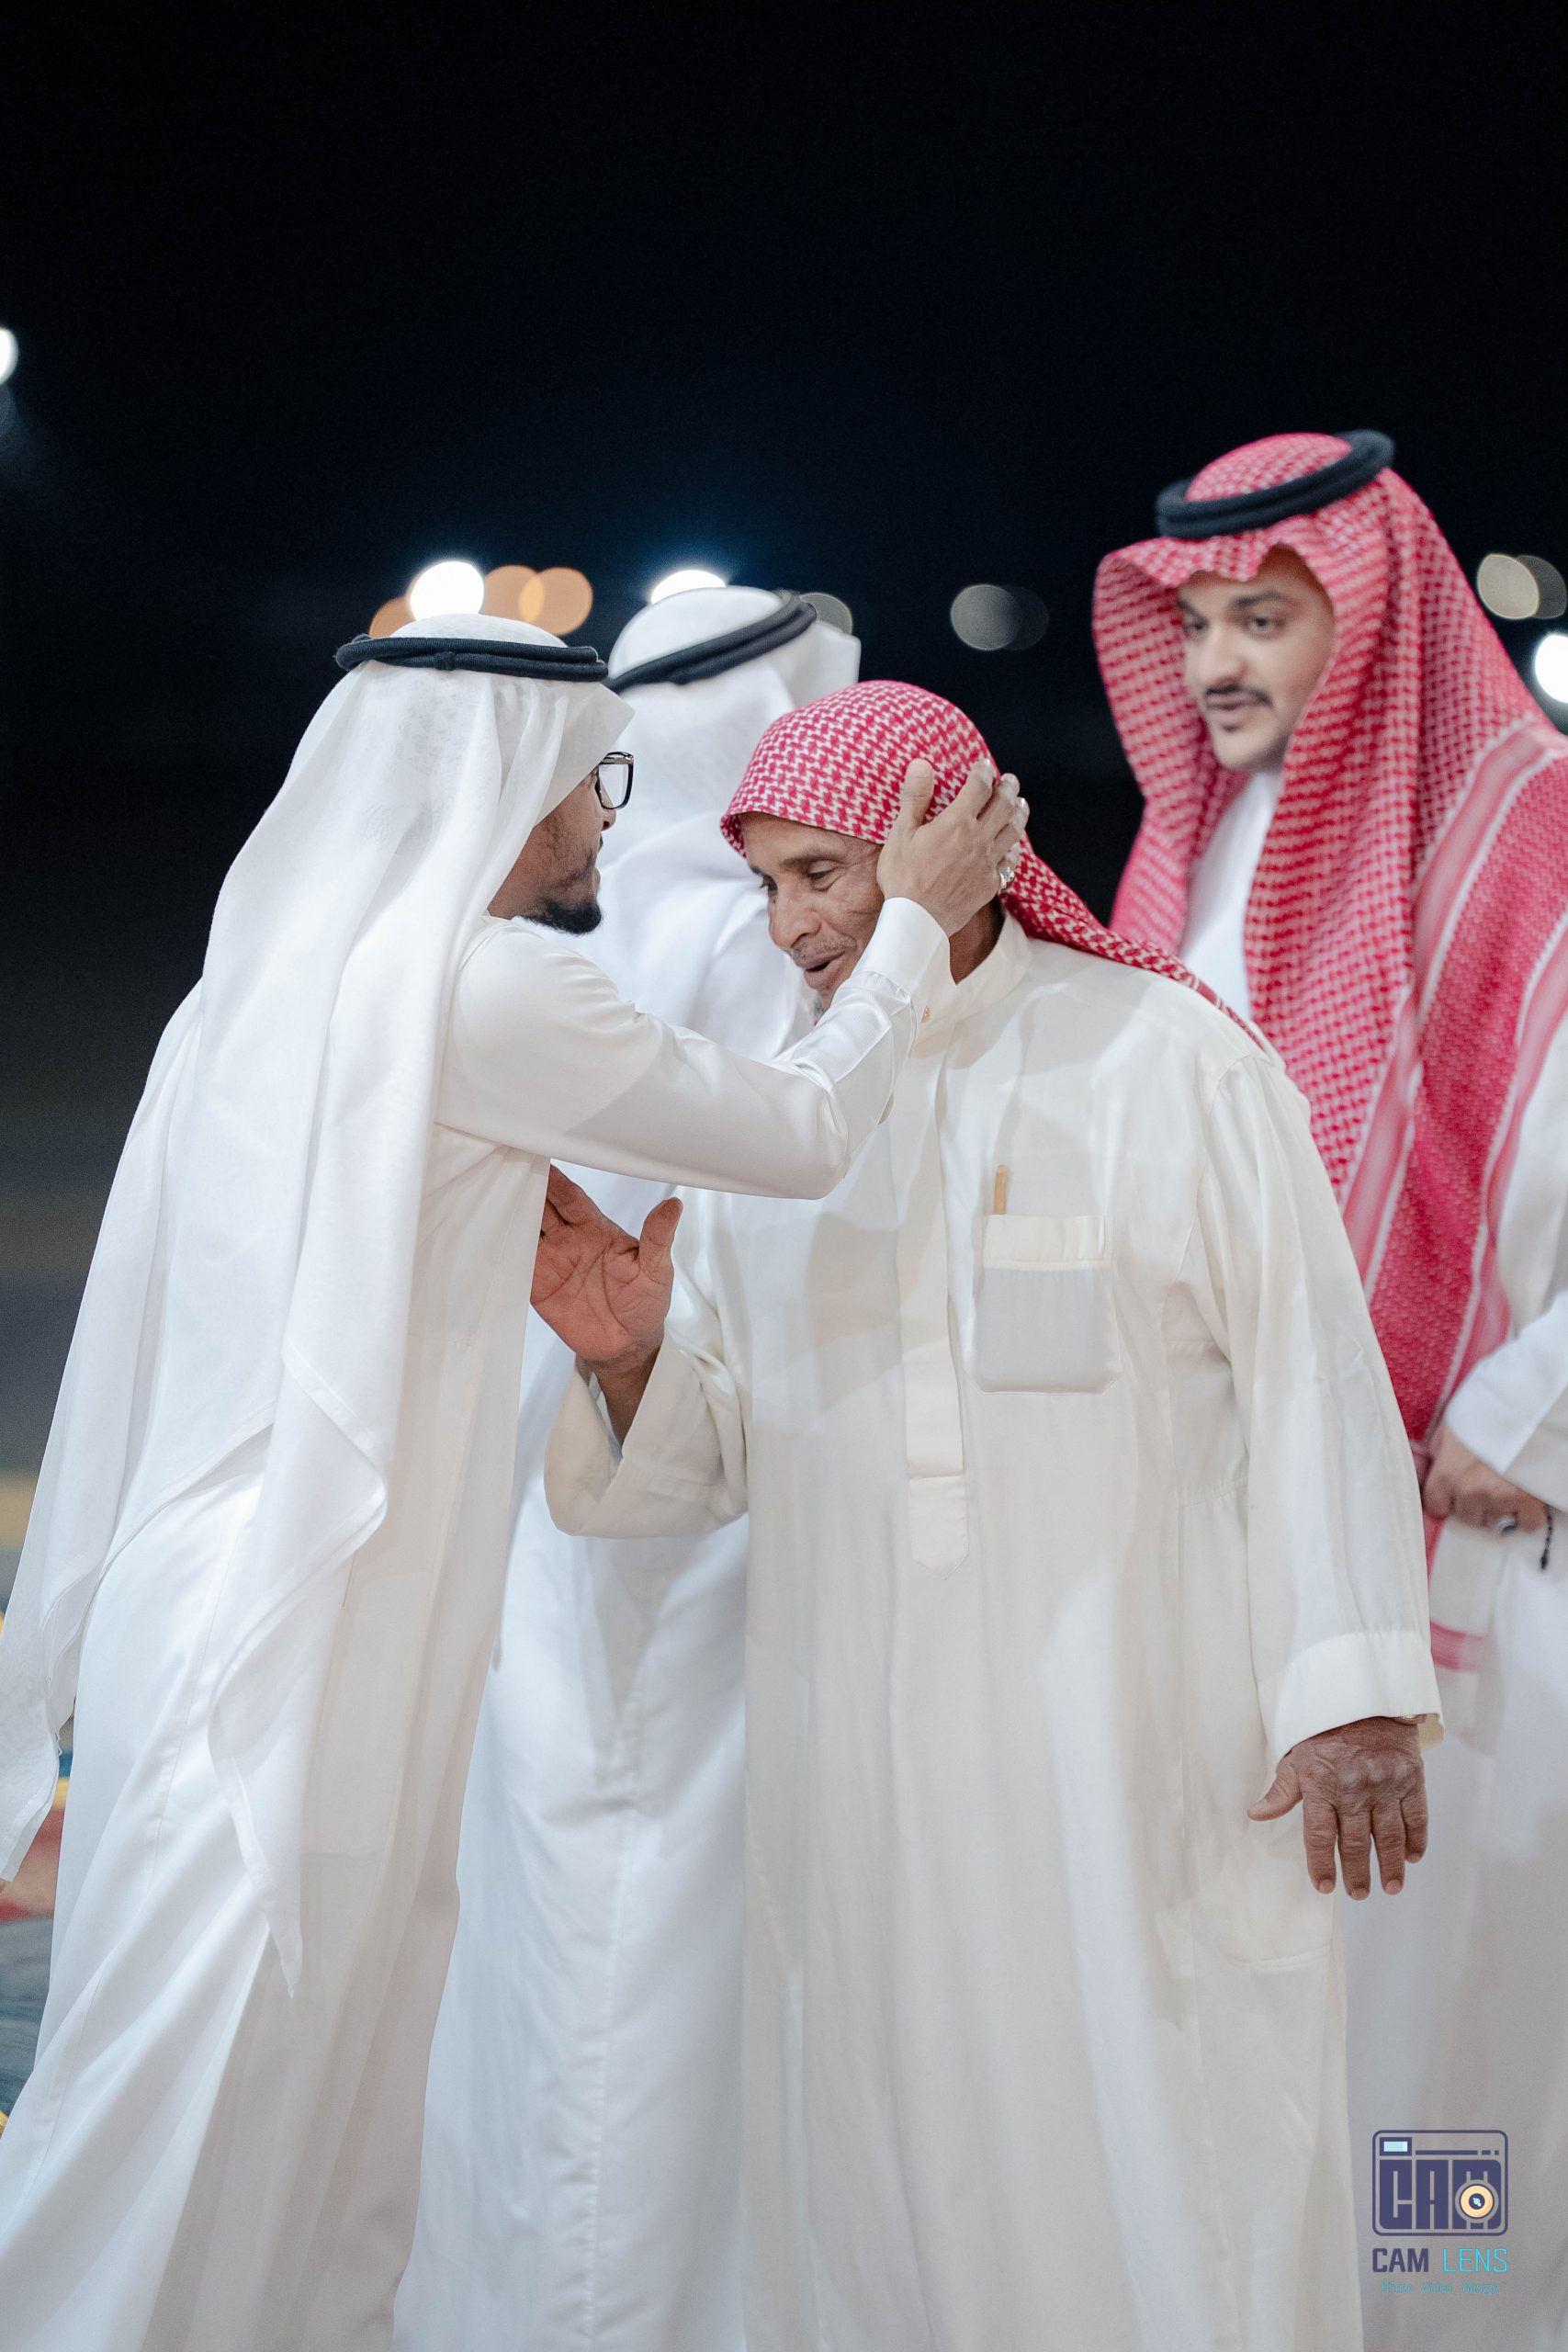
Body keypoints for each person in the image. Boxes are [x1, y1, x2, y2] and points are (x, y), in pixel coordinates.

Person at [0, 615, 1020, 2352]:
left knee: (319, 2117)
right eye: (586, 781)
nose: (607, 817)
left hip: (261, 1601)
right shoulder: (485, 989)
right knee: (184, 2118)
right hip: (305, 1623)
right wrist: (915, 925)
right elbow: (796, 1130)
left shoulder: (253, 986)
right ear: (502, 784)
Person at [536, 678, 1442, 2352]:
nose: (792, 926)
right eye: (768, 886)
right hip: (870, 1793)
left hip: (1141, 1769)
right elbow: (713, 1458)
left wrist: (1356, 1692)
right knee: (895, 2183)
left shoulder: (1165, 1059)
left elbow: (1315, 1379)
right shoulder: (783, 1120)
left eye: (823, 875)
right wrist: (631, 1360)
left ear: (946, 846)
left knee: (1171, 2157)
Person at [1096, 433, 1568, 2347]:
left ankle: (1447, 2330)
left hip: (1469, 1546)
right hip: (1223, 1540)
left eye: (1262, 619)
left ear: (1365, 620)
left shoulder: (1531, 829)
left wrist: (1525, 1413)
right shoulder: (1191, 844)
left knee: (1440, 2045)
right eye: (1196, 622)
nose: (1216, 662)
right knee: (1250, 2009)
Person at [399, 586, 858, 2352]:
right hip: (674, 1472)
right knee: (651, 1945)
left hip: (573, 1485)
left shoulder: (544, 936)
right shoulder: (729, 950)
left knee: (573, 1933)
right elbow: (806, 1156)